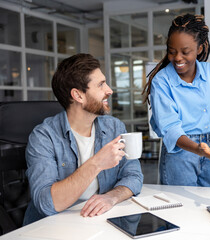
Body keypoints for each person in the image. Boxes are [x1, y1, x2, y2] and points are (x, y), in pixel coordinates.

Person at [23, 53, 143, 225]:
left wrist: (111, 197)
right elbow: (46, 203)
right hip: (54, 227)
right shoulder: (44, 137)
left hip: (99, 222)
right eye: (101, 85)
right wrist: (97, 163)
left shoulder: (114, 127)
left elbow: (134, 176)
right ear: (78, 96)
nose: (109, 90)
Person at [142, 14, 210, 187]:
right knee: (181, 210)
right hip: (179, 153)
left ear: (199, 48)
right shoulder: (162, 81)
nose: (177, 58)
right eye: (172, 51)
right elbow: (169, 128)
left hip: (207, 147)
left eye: (185, 52)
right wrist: (198, 150)